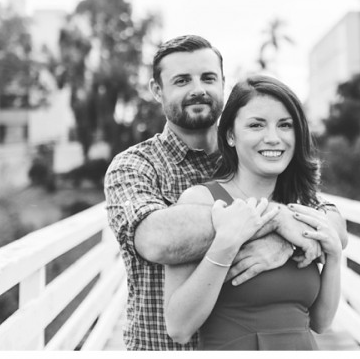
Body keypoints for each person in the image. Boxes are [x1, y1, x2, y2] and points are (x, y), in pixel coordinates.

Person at [104, 35, 346, 350]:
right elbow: (156, 240)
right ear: (157, 90)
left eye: (208, 78)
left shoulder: (256, 159)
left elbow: (331, 221)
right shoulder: (135, 166)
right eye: (182, 80)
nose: (198, 89)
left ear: (222, 83)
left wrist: (286, 237)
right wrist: (275, 221)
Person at [163, 75, 342, 350]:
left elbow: (321, 322)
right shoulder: (200, 201)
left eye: (285, 125)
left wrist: (334, 258)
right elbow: (178, 328)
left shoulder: (302, 205)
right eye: (256, 125)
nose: (273, 138)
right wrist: (227, 244)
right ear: (230, 135)